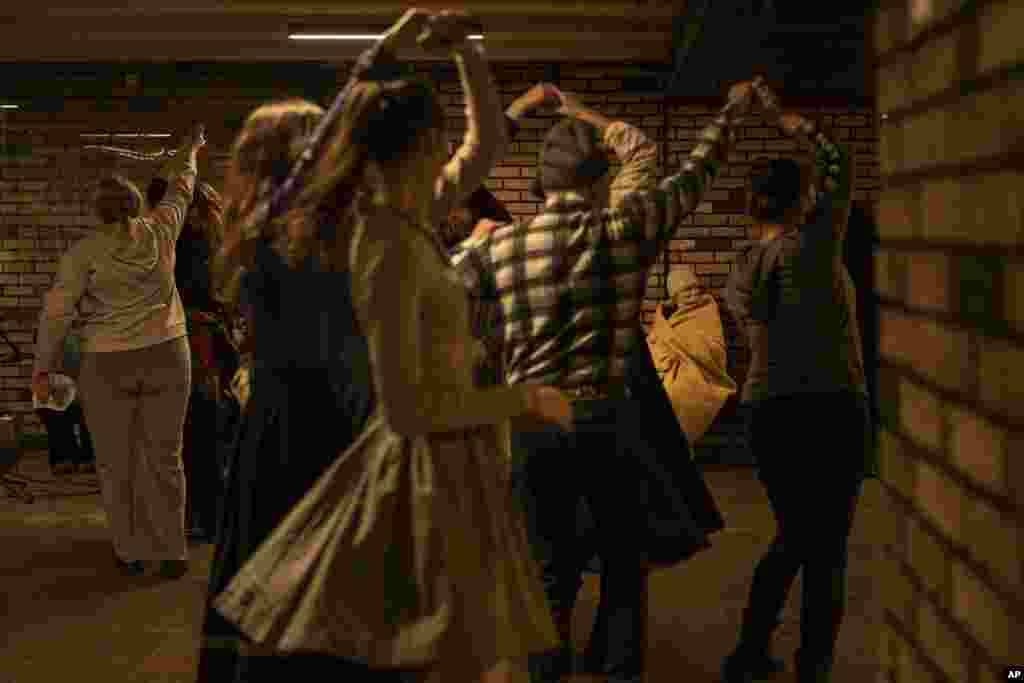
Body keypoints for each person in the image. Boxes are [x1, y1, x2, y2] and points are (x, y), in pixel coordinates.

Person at [204, 9, 571, 683]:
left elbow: (483, 146)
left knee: (348, 622)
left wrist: (458, 55)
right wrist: (374, 60)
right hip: (302, 432)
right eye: (316, 137)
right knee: (296, 620)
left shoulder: (360, 220)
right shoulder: (284, 227)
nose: (335, 143)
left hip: (345, 420)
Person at [452, 80, 761, 683]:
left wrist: (470, 241)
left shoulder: (500, 248)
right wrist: (730, 111)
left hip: (534, 426)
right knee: (622, 567)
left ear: (542, 184)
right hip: (608, 422)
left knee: (547, 572)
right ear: (597, 182)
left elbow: (441, 270)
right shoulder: (627, 227)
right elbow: (696, 167)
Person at [722, 82, 877, 683]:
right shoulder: (814, 244)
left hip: (768, 410)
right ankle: (812, 665)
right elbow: (840, 157)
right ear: (804, 199)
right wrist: (789, 119)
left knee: (793, 533)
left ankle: (749, 650)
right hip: (832, 405)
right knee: (827, 543)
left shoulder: (742, 268)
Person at [32, 123, 206, 580]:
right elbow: (182, 186)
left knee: (116, 461)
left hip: (107, 362)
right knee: (166, 456)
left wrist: (43, 369)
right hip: (169, 354)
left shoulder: (82, 253)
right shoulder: (162, 229)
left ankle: (131, 552)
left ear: (97, 211)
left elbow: (56, 315)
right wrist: (190, 149)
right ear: (134, 204)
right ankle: (173, 551)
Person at [147, 177, 240, 542]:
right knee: (206, 429)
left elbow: (194, 290)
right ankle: (208, 516)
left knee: (194, 430)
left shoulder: (185, 236)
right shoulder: (210, 230)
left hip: (192, 337)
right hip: (207, 335)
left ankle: (198, 518)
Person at [33, 330, 95, 476]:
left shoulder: (76, 338)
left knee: (83, 418)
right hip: (52, 389)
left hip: (73, 387)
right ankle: (66, 458)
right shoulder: (49, 339)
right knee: (57, 421)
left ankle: (82, 457)